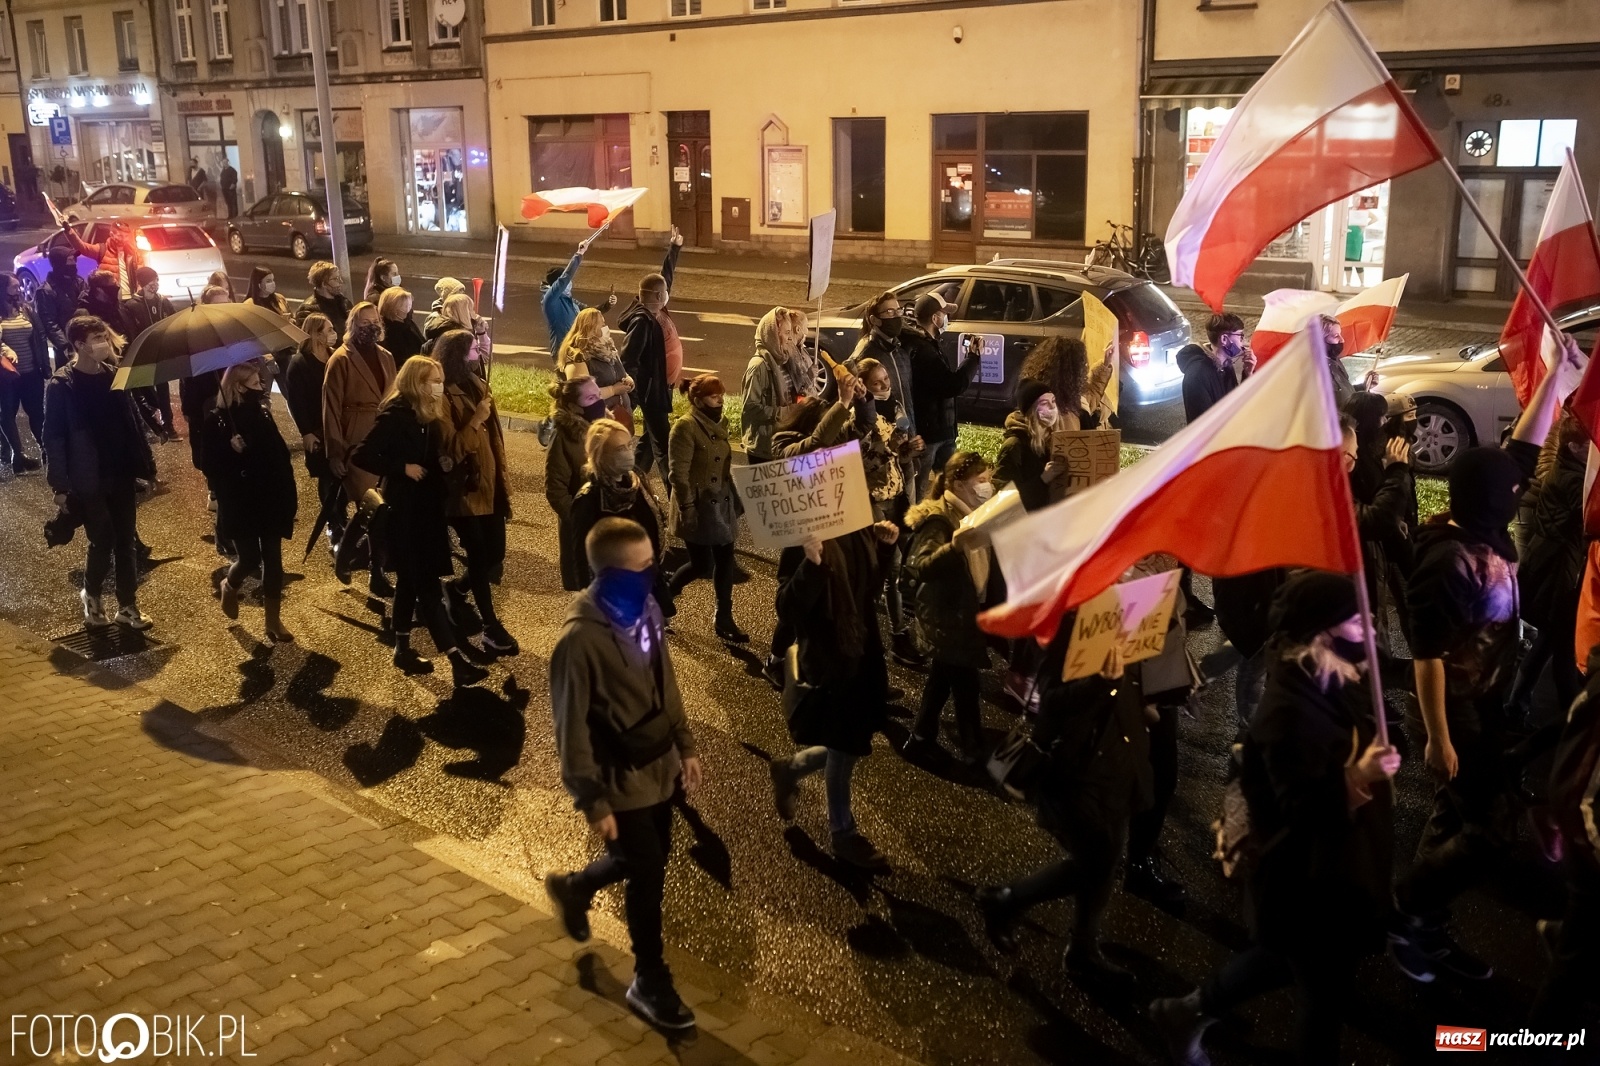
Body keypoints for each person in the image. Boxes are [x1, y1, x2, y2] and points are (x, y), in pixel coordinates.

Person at [1150, 572, 1400, 1066]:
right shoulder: (1288, 710)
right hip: (1306, 878)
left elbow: (1379, 692)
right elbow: (1302, 808)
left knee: (1288, 958)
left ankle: (1185, 1012)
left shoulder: (1335, 672)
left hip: (1336, 867)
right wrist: (1358, 776)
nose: (1369, 626)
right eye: (1357, 619)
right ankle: (1184, 1013)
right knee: (1320, 999)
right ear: (1323, 631)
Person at [1390, 344, 1564, 983]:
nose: (1523, 491)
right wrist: (1438, 738)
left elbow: (1520, 450)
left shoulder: (1482, 514)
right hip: (1455, 711)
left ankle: (1422, 927)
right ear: (1493, 499)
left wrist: (1556, 375)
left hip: (1484, 699)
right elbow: (1427, 656)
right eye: (1515, 491)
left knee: (1454, 811)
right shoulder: (1447, 562)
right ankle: (1408, 910)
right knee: (1490, 828)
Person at [543, 516, 702, 1032]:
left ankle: (575, 887)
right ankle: (649, 978)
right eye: (642, 567)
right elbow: (570, 729)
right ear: (609, 574)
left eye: (653, 563)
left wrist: (685, 745)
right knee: (647, 870)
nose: (652, 574)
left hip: (659, 764)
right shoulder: (578, 642)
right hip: (618, 778)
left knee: (645, 858)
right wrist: (591, 799)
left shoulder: (648, 607)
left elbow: (665, 683)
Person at [976, 619, 1155, 983]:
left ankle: (1083, 948)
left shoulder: (1122, 612)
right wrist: (1101, 683)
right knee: (1095, 860)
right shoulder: (1069, 626)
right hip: (1080, 767)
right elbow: (1053, 700)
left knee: (1107, 857)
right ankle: (1007, 901)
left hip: (1118, 758)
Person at [768, 521, 901, 871]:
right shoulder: (805, 534)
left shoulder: (857, 527)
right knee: (844, 746)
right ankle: (843, 833)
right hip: (831, 661)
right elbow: (787, 608)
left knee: (849, 743)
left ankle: (791, 768)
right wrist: (811, 565)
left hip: (862, 653)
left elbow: (868, 591)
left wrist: (884, 549)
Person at [351, 355, 489, 688]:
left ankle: (402, 648)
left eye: (440, 379)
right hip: (405, 513)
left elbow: (429, 456)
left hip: (426, 511)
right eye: (434, 380)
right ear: (417, 383)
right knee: (427, 586)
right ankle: (457, 662)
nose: (440, 386)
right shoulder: (396, 415)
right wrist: (402, 468)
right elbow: (362, 454)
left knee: (410, 583)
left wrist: (441, 463)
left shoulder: (425, 414)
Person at [42, 315, 156, 631]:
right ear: (79, 344)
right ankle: (91, 597)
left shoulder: (114, 376)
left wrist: (147, 468)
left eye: (104, 337)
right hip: (88, 477)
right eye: (96, 339)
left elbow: (133, 424)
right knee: (102, 541)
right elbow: (53, 437)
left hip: (120, 472)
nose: (104, 343)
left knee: (126, 542)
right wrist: (60, 485)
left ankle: (127, 606)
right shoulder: (62, 386)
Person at [903, 451, 998, 763]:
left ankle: (920, 737)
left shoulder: (973, 513)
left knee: (943, 678)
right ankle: (973, 749)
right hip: (947, 616)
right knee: (966, 685)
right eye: (980, 480)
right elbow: (920, 566)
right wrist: (954, 547)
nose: (987, 486)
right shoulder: (939, 520)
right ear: (958, 484)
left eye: (988, 479)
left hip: (960, 612)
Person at [434, 329, 517, 656]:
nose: (478, 353)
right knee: (479, 557)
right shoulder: (441, 394)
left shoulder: (479, 385)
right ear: (457, 355)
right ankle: (490, 626)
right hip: (464, 490)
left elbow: (494, 441)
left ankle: (456, 589)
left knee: (495, 554)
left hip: (489, 485)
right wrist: (475, 419)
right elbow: (449, 448)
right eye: (472, 350)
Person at [205, 358, 297, 643]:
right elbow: (210, 466)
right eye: (255, 383)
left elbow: (279, 455)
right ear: (239, 387)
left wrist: (287, 495)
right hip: (240, 500)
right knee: (249, 558)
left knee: (273, 559)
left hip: (268, 495)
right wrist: (230, 450)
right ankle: (230, 585)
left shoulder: (263, 414)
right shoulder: (217, 420)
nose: (261, 387)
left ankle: (273, 620)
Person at [323, 302, 398, 598]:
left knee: (378, 507)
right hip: (355, 443)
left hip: (384, 439)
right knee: (375, 508)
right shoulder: (341, 359)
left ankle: (350, 555)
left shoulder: (386, 357)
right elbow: (330, 408)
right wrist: (334, 452)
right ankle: (374, 572)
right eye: (365, 322)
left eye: (375, 320)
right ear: (354, 325)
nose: (372, 326)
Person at [666, 374, 745, 643]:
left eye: (721, 395)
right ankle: (665, 596)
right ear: (698, 401)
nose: (720, 400)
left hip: (720, 502)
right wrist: (687, 509)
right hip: (698, 505)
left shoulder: (718, 423)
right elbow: (678, 475)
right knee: (700, 564)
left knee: (725, 559)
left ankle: (724, 617)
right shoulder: (685, 427)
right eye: (714, 396)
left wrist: (736, 498)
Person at [858, 355, 923, 666]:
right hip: (872, 502)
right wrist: (889, 450)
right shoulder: (861, 418)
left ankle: (892, 632)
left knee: (897, 568)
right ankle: (894, 636)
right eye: (877, 383)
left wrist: (909, 450)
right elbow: (858, 461)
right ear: (864, 388)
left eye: (886, 379)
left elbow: (899, 458)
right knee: (887, 569)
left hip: (896, 497)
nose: (885, 385)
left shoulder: (895, 408)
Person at [568, 419, 668, 593]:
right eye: (620, 449)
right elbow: (582, 561)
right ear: (601, 455)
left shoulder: (637, 485)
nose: (628, 453)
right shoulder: (588, 499)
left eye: (629, 445)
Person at [619, 228, 685, 488]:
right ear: (658, 297)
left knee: (649, 443)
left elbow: (664, 278)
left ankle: (632, 485)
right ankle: (675, 497)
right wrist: (631, 397)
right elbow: (629, 360)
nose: (668, 292)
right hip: (651, 393)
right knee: (665, 447)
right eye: (664, 292)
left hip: (660, 388)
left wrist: (674, 249)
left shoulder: (656, 308)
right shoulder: (643, 321)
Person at [905, 293, 980, 498]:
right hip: (930, 434)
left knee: (947, 483)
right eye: (944, 314)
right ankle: (916, 517)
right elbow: (952, 385)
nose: (947, 318)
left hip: (941, 429)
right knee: (919, 488)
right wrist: (973, 358)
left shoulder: (929, 344)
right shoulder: (923, 350)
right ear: (934, 318)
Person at [285, 311, 343, 549]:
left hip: (337, 426)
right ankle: (333, 522)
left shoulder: (334, 356)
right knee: (327, 477)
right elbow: (296, 401)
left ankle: (341, 517)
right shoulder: (300, 363)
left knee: (342, 474)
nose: (334, 334)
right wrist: (306, 432)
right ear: (316, 334)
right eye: (329, 330)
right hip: (318, 430)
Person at [546, 375, 608, 592]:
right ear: (574, 407)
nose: (599, 402)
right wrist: (579, 519)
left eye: (599, 395)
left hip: (607, 526)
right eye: (591, 398)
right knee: (588, 591)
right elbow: (556, 490)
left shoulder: (605, 429)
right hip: (583, 531)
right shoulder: (564, 438)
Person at [740, 307, 813, 463]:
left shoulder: (784, 359)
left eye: (790, 332)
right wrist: (785, 412)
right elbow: (750, 408)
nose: (789, 337)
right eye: (786, 333)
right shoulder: (759, 366)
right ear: (773, 335)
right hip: (764, 447)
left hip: (782, 441)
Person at [119, 266, 181, 445]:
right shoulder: (132, 305)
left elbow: (174, 320)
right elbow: (130, 331)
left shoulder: (162, 301)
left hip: (161, 351)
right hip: (143, 353)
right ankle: (151, 423)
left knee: (163, 388)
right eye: (151, 281)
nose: (155, 284)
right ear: (143, 283)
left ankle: (168, 425)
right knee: (146, 389)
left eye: (156, 280)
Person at [993, 380, 1067, 513]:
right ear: (1031, 409)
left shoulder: (1052, 440)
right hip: (1028, 521)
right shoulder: (1014, 446)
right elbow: (1003, 497)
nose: (1052, 407)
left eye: (1053, 401)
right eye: (1044, 403)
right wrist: (1043, 479)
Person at [0, 272, 48, 473]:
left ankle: (46, 450)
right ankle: (16, 455)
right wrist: (5, 349)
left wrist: (44, 366)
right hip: (7, 377)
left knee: (37, 413)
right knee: (7, 415)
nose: (18, 290)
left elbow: (40, 336)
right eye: (14, 286)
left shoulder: (26, 310)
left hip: (31, 372)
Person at [541, 232, 618, 358]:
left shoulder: (569, 300)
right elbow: (564, 278)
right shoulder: (550, 299)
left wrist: (608, 304)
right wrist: (579, 253)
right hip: (562, 351)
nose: (570, 283)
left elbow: (590, 312)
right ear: (556, 285)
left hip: (576, 349)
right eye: (568, 282)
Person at [557, 307, 633, 424]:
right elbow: (580, 393)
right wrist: (613, 390)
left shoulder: (608, 349)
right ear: (591, 328)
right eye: (602, 324)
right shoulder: (578, 356)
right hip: (596, 422)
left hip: (619, 417)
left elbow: (619, 372)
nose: (606, 328)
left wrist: (628, 380)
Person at [1177, 312, 1253, 425]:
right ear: (1224, 339)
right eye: (1240, 336)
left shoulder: (1226, 365)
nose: (1244, 342)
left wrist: (1247, 373)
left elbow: (1236, 402)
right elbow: (1202, 424)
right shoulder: (1197, 375)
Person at [35, 245, 85, 371]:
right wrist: (66, 346)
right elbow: (49, 322)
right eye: (70, 260)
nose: (73, 263)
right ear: (59, 264)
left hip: (84, 340)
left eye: (74, 259)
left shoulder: (78, 282)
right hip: (67, 348)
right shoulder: (46, 290)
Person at [435, 292, 491, 372]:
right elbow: (483, 359)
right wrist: (481, 334)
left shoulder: (441, 330)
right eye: (471, 309)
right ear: (464, 312)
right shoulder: (461, 338)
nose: (474, 313)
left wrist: (481, 332)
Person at [295, 261, 351, 339]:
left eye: (339, 278)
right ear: (324, 284)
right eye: (335, 279)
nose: (340, 282)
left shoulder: (344, 303)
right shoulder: (307, 310)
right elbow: (308, 340)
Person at [1317, 314, 1357, 410]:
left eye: (1340, 334)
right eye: (1336, 336)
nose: (1342, 340)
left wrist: (1365, 385)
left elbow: (1344, 391)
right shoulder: (1313, 369)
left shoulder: (1334, 360)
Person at [378, 286, 424, 364]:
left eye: (410, 305)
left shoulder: (407, 323)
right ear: (394, 309)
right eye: (406, 306)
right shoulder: (391, 333)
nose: (410, 309)